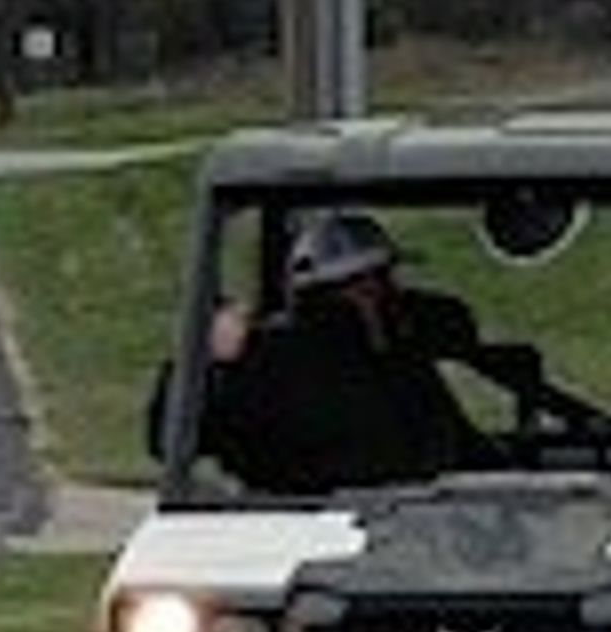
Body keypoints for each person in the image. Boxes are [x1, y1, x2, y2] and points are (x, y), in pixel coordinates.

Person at [198, 209, 492, 493]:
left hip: (418, 522)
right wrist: (216, 366)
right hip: (318, 529)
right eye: (377, 284)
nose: (394, 296)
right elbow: (184, 435)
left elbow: (459, 449)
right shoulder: (275, 367)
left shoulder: (399, 364)